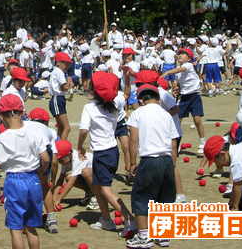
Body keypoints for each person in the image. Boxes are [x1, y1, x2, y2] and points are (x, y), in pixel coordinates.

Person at [0, 94, 50, 249]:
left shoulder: (3, 137)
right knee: (31, 227)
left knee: (16, 228)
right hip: (33, 178)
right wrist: (41, 172)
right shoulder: (34, 132)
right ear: (21, 111)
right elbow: (46, 158)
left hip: (15, 180)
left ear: (2, 115)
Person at [126, 84, 179, 249]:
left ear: (142, 100)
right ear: (157, 98)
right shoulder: (166, 115)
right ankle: (163, 236)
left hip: (149, 159)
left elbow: (133, 139)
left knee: (141, 197)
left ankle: (144, 236)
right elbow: (173, 142)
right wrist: (173, 163)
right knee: (165, 199)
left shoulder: (138, 113)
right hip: (167, 160)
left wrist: (132, 163)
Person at [77, 71, 123, 231]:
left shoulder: (89, 108)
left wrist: (79, 146)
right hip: (112, 151)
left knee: (105, 189)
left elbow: (83, 131)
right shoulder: (114, 108)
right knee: (97, 186)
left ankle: (132, 219)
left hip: (102, 153)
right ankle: (105, 219)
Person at [162, 48, 206, 155]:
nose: (180, 55)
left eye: (183, 54)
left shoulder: (188, 65)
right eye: (179, 54)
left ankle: (202, 142)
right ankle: (176, 144)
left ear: (189, 58)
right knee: (177, 120)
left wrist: (167, 72)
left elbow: (179, 70)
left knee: (197, 119)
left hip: (194, 96)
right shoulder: (178, 68)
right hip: (183, 97)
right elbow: (178, 82)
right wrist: (176, 88)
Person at [25, 108, 58, 234]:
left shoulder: (25, 125)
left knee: (26, 185)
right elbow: (54, 161)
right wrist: (52, 180)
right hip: (44, 154)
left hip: (28, 152)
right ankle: (51, 220)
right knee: (45, 187)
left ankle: (27, 220)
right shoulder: (50, 131)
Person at [49, 52, 73, 140]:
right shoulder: (59, 72)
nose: (67, 66)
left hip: (58, 99)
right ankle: (61, 147)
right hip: (57, 98)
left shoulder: (57, 71)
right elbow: (64, 87)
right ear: (59, 63)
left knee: (61, 127)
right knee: (66, 127)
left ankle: (58, 145)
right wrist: (70, 83)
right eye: (65, 63)